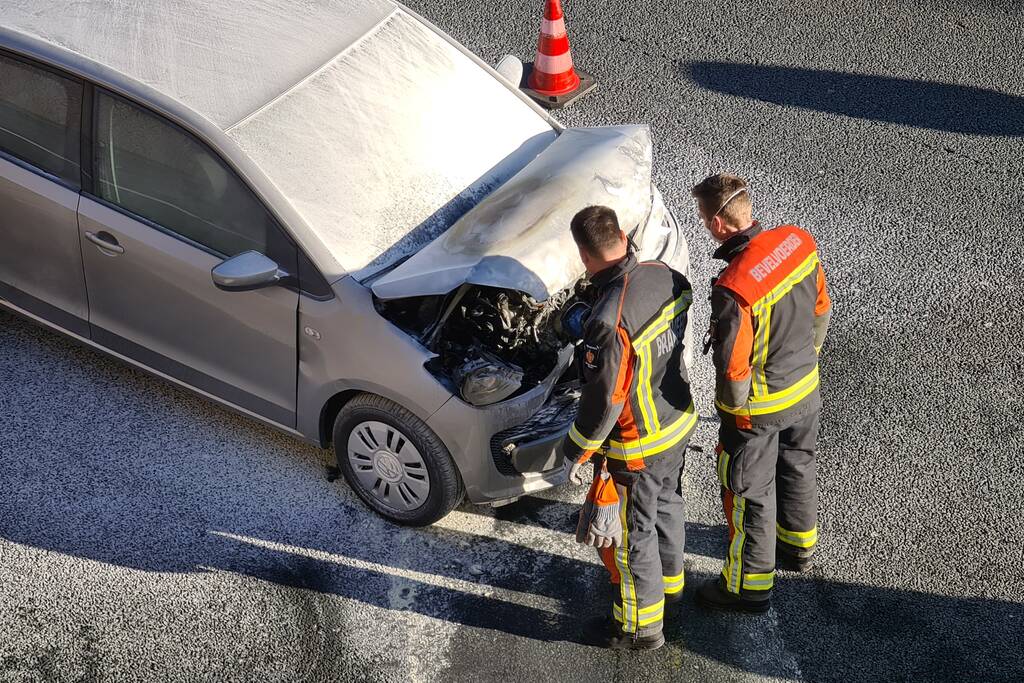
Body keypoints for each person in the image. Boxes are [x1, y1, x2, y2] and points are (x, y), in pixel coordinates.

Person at [690, 174, 832, 613]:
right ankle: (798, 546)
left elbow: (733, 367)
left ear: (717, 223)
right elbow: (821, 310)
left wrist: (734, 416)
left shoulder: (735, 287)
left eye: (701, 219)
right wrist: (805, 362)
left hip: (760, 409)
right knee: (798, 465)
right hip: (805, 387)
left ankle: (748, 587)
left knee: (749, 492)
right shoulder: (799, 243)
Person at [558, 205, 697, 650]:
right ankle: (671, 583)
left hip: (639, 444)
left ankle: (640, 628)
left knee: (633, 537)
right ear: (621, 234)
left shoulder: (608, 320)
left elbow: (605, 401)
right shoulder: (665, 275)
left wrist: (576, 449)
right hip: (677, 420)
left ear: (583, 254)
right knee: (668, 504)